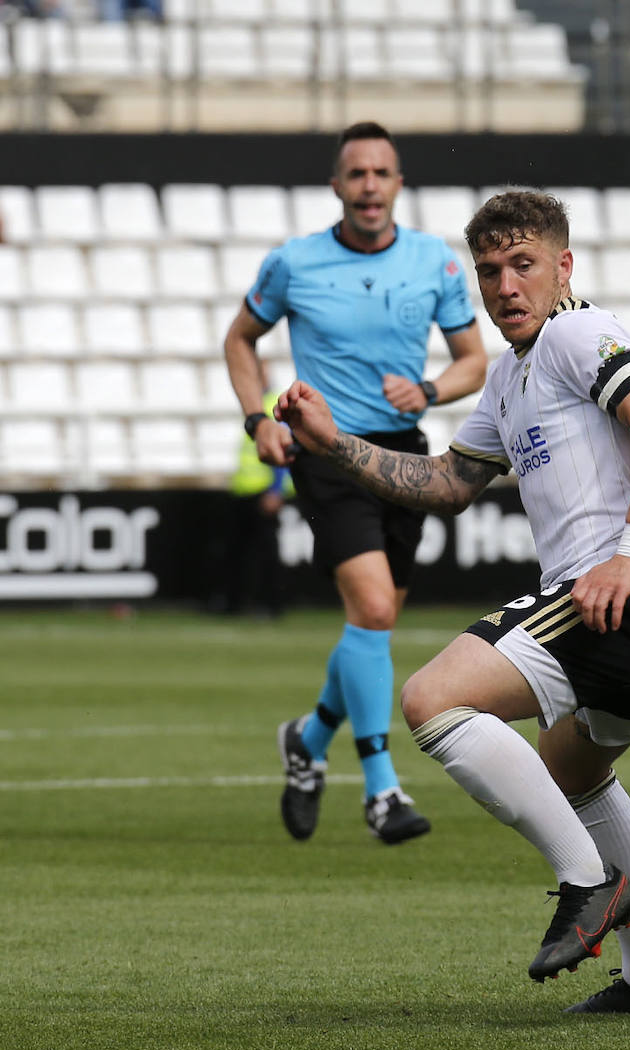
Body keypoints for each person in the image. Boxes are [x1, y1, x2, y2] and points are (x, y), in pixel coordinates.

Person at [274, 190, 630, 1011]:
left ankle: (588, 882)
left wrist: (627, 555)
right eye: (489, 271)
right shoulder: (510, 377)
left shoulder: (580, 332)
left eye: (523, 264)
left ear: (563, 267)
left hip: (629, 587)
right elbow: (446, 483)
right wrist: (332, 443)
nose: (505, 285)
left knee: (433, 699)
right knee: (573, 772)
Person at [223, 121, 488, 845]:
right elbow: (239, 339)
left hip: (402, 453)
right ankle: (382, 791)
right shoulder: (295, 262)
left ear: (398, 185)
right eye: (357, 173)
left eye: (382, 173)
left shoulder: (434, 261)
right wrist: (258, 421)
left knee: (373, 624)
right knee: (372, 608)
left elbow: (474, 359)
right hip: (325, 451)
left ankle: (307, 741)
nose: (369, 185)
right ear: (337, 186)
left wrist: (430, 391)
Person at [211, 391, 292, 619]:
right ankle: (235, 602)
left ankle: (272, 605)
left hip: (263, 492)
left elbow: (281, 450)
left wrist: (276, 490)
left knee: (267, 553)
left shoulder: (272, 403)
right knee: (239, 552)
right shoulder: (252, 403)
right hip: (243, 490)